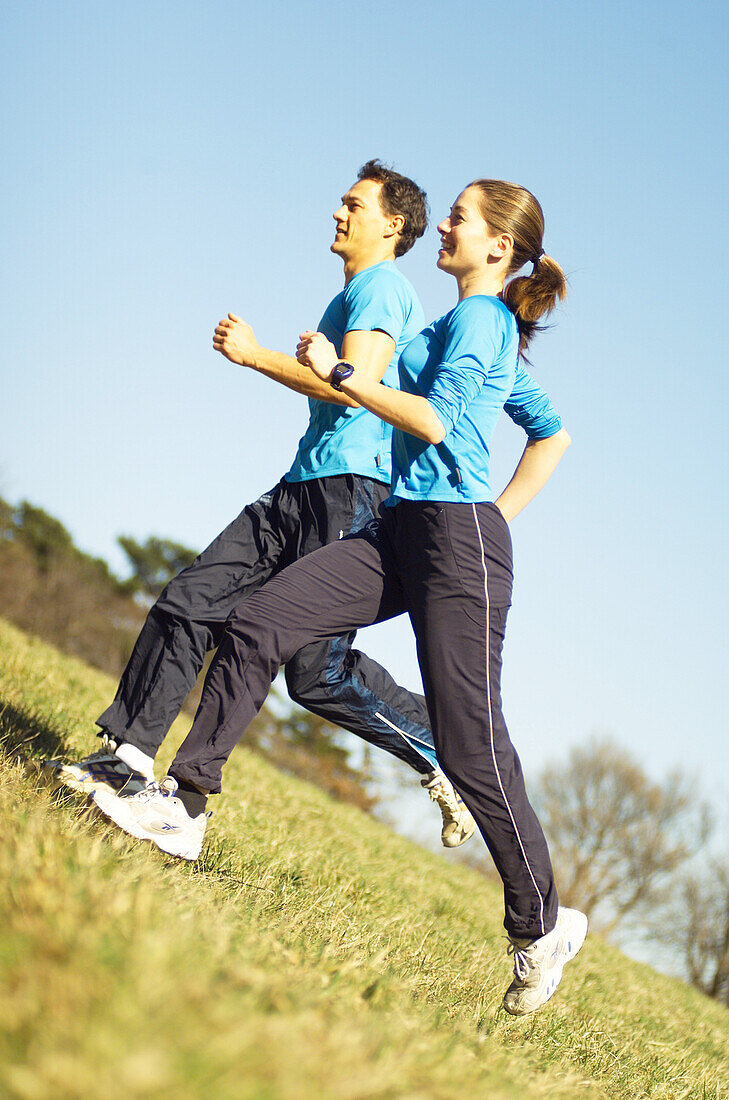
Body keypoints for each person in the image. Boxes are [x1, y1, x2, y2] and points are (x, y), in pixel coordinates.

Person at [93, 177, 587, 1015]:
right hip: (403, 530)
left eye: (461, 220)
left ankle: (540, 923)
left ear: (497, 247)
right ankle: (183, 804)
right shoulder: (458, 322)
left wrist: (352, 379)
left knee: (469, 748)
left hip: (455, 544)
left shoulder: (482, 319)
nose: (450, 228)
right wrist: (321, 372)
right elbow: (550, 429)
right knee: (259, 618)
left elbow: (432, 421)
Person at [48, 160, 477, 848]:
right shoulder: (355, 295)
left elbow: (350, 385)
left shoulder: (382, 288)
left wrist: (255, 356)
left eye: (352, 203)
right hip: (303, 482)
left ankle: (442, 746)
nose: (337, 212)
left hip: (350, 489)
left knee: (313, 671)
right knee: (192, 598)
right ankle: (127, 759)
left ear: (391, 224)